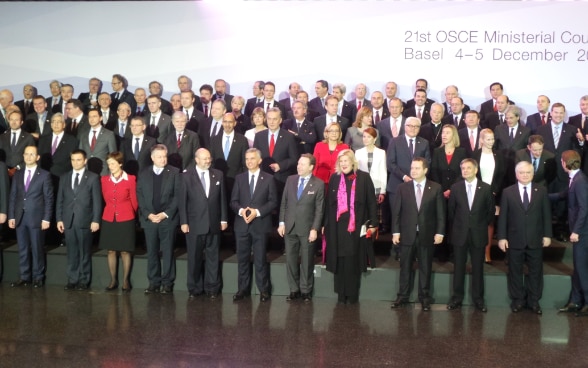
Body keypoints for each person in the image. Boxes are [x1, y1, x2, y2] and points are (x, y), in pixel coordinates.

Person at [497, 161, 552, 314]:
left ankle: (534, 301)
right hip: (515, 239)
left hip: (535, 238)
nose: (525, 175)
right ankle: (518, 300)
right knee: (515, 271)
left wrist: (547, 234)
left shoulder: (541, 191)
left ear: (533, 174)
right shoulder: (508, 192)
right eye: (522, 172)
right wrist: (502, 237)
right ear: (516, 174)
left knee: (536, 271)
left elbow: (546, 215)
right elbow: (503, 217)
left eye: (528, 172)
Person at [391, 157, 445, 311]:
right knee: (405, 267)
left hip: (427, 234)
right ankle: (402, 296)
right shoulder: (402, 188)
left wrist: (440, 232)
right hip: (407, 234)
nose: (413, 171)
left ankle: (425, 297)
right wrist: (395, 232)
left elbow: (440, 213)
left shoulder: (436, 188)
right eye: (412, 168)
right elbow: (397, 213)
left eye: (417, 168)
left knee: (425, 267)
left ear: (425, 170)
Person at [325, 149, 377, 304]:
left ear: (353, 162)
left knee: (353, 260)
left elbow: (371, 203)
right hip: (338, 227)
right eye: (341, 162)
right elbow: (329, 204)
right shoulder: (335, 178)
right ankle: (341, 294)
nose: (343, 164)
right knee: (340, 260)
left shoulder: (364, 178)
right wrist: (326, 225)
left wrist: (373, 224)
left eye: (346, 161)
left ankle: (352, 294)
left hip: (356, 226)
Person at [230, 148, 278, 302]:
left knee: (260, 259)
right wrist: (242, 211)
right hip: (242, 225)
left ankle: (264, 290)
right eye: (247, 159)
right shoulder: (239, 178)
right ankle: (242, 289)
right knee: (242, 259)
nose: (249, 161)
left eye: (252, 158)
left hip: (260, 225)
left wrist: (257, 212)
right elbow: (233, 202)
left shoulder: (269, 179)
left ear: (259, 160)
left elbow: (273, 202)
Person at [446, 158, 495, 312]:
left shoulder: (486, 189)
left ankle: (478, 300)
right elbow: (451, 212)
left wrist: (478, 225)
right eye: (463, 168)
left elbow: (490, 212)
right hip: (459, 234)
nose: (465, 171)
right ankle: (456, 298)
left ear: (476, 170)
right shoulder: (455, 188)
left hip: (478, 234)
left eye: (468, 168)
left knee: (478, 268)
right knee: (458, 268)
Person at [180, 148, 228, 299]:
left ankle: (212, 287)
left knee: (213, 257)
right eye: (205, 158)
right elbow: (182, 202)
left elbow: (222, 199)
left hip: (213, 223)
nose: (208, 161)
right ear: (196, 159)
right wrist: (184, 222)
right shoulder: (186, 176)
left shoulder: (218, 174)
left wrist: (224, 219)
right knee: (194, 258)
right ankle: (194, 288)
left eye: (209, 158)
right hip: (194, 225)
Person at [278, 154, 325, 302]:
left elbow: (319, 209)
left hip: (307, 229)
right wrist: (281, 223)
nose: (299, 166)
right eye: (298, 163)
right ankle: (294, 289)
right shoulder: (290, 180)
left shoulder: (318, 184)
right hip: (290, 227)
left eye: (303, 164)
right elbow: (284, 203)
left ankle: (306, 290)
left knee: (307, 261)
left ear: (311, 167)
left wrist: (315, 228)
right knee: (291, 261)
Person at [137, 144, 181, 294]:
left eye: (165, 156)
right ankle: (153, 282)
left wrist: (165, 214)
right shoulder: (143, 173)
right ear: (152, 158)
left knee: (168, 251)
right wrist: (148, 214)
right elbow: (140, 196)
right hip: (149, 219)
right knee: (152, 251)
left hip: (167, 219)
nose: (163, 159)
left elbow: (177, 196)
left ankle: (167, 282)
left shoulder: (174, 172)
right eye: (160, 157)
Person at [56, 149, 102, 291]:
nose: (75, 163)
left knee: (84, 252)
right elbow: (60, 200)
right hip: (68, 220)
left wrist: (95, 220)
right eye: (73, 160)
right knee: (72, 252)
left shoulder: (93, 178)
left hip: (85, 220)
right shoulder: (64, 177)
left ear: (85, 161)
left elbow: (97, 201)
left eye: (78, 160)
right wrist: (59, 219)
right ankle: (72, 279)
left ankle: (83, 280)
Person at [8, 145, 54, 287]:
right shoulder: (18, 174)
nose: (28, 157)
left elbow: (49, 198)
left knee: (37, 248)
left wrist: (46, 218)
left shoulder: (45, 175)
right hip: (20, 217)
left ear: (37, 157)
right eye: (26, 154)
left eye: (32, 154)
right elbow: (13, 196)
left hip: (36, 218)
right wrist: (11, 216)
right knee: (22, 248)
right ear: (23, 156)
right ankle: (24, 276)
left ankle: (38, 277)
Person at [99, 151, 138, 293]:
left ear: (120, 163)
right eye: (109, 164)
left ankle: (125, 280)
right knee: (110, 250)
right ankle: (113, 279)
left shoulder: (131, 179)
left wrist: (129, 214)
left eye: (113, 163)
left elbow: (134, 201)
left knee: (125, 251)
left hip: (126, 217)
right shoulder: (104, 180)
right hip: (109, 217)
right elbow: (105, 198)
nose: (111, 166)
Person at [558, 150, 588, 315]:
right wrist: (540, 195)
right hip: (580, 232)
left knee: (582, 268)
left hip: (583, 233)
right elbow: (563, 195)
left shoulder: (580, 181)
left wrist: (576, 230)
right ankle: (576, 301)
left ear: (564, 163)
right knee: (577, 268)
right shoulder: (575, 179)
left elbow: (584, 208)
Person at [472, 128, 506, 264]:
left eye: (492, 139)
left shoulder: (499, 155)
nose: (491, 142)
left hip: (493, 194)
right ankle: (476, 252)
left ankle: (487, 252)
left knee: (490, 223)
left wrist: (494, 190)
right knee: (476, 222)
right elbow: (472, 174)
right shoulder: (475, 155)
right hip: (477, 193)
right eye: (488, 139)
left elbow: (502, 174)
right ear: (481, 140)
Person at [355, 127, 387, 229]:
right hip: (362, 186)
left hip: (376, 185)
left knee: (374, 212)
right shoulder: (358, 152)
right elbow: (357, 171)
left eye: (368, 137)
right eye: (364, 137)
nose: (365, 139)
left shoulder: (381, 152)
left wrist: (383, 191)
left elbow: (383, 171)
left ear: (374, 138)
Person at [78, 109, 117, 176]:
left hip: (103, 172)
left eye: (94, 116)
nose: (92, 119)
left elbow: (113, 155)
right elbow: (80, 154)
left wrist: (111, 174)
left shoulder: (109, 134)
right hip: (87, 172)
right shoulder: (84, 134)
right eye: (90, 117)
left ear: (101, 118)